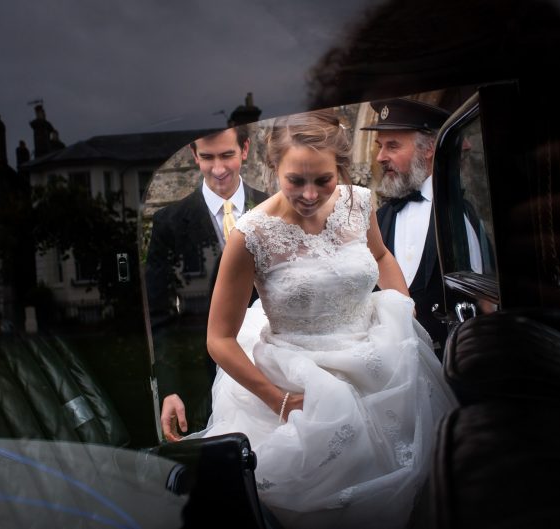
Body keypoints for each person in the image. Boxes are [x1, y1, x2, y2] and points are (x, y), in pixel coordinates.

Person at [183, 109, 456, 529]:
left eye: (323, 180)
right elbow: (219, 339)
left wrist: (401, 301)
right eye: (296, 180)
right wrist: (279, 400)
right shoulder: (250, 237)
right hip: (300, 382)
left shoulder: (357, 202)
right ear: (274, 167)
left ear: (341, 171)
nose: (310, 194)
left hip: (380, 363)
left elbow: (381, 256)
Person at [145, 125, 268, 441]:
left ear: (244, 149)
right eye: (207, 157)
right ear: (193, 155)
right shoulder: (168, 223)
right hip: (201, 385)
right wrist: (170, 389)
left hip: (271, 369)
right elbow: (161, 317)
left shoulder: (275, 208)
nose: (218, 169)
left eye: (227, 155)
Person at [362, 97, 481, 357]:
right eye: (380, 146)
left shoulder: (458, 214)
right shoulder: (378, 219)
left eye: (392, 146)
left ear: (428, 148)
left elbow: (481, 304)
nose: (381, 157)